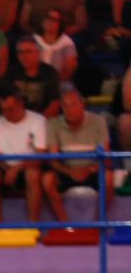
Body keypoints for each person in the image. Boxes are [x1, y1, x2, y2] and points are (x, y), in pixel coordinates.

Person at [43, 86, 109, 222]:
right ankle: (65, 225)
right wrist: (69, 171)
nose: (69, 109)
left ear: (82, 105)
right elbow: (53, 159)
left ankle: (97, 223)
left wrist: (88, 170)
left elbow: (105, 157)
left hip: (92, 170)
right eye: (65, 106)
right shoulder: (53, 124)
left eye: (73, 104)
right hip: (66, 171)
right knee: (47, 180)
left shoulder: (98, 121)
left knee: (108, 178)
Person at [0, 91, 47, 224]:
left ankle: (33, 224)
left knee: (33, 174)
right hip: (5, 167)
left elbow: (40, 154)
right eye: (4, 110)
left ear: (21, 105)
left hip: (28, 166)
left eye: (10, 109)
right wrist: (8, 169)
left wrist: (16, 169)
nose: (7, 114)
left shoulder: (38, 120)